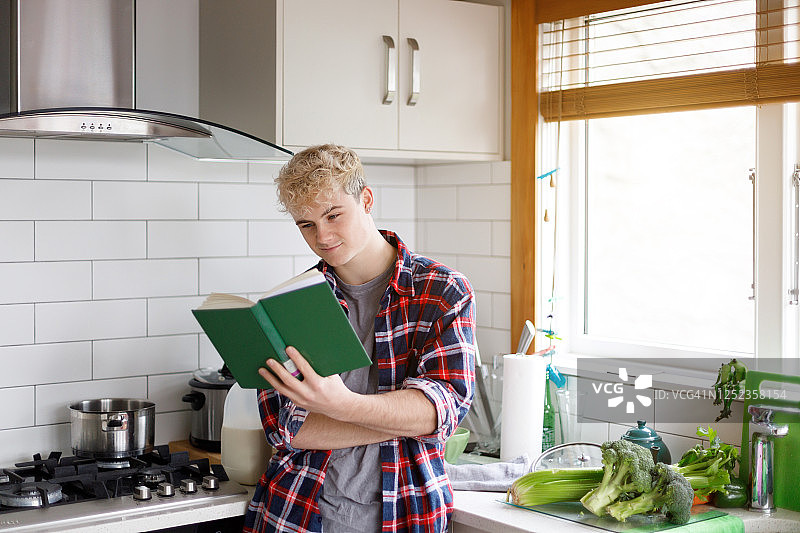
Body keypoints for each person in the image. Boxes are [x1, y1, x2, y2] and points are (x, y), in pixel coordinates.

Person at [242, 144, 476, 533]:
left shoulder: (441, 292)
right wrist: (404, 419)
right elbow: (287, 429)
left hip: (408, 514)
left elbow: (440, 411)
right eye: (306, 224)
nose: (323, 236)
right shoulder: (291, 304)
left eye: (334, 215)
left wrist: (339, 405)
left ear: (366, 199)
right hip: (295, 514)